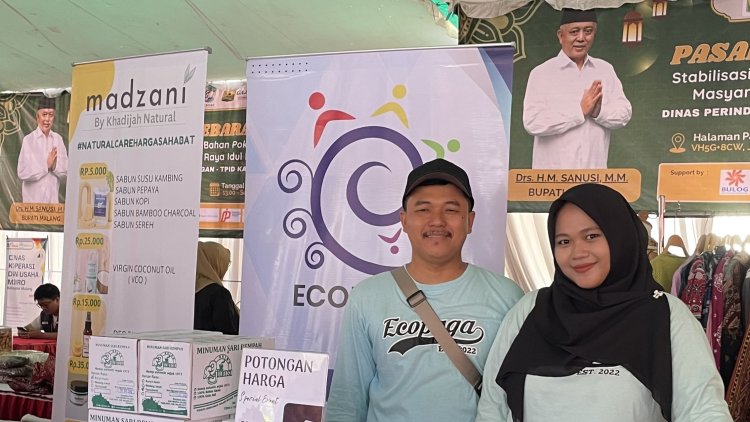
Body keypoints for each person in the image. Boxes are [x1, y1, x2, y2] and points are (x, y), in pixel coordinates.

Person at [476, 183, 732, 422]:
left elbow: (704, 411)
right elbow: (493, 407)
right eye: (564, 241)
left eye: (591, 236)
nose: (577, 252)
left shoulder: (666, 315)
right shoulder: (531, 309)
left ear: (620, 236)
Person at [326, 159, 523, 422]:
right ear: (404, 220)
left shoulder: (508, 297)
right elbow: (347, 401)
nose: (437, 221)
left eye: (451, 210)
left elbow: (518, 398)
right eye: (423, 209)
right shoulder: (367, 297)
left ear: (469, 221)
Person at [523, 9, 632, 169]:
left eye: (588, 31)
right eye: (574, 31)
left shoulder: (605, 69)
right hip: (552, 178)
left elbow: (624, 114)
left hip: (594, 175)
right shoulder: (542, 73)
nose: (581, 38)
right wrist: (579, 112)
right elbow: (533, 122)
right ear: (561, 35)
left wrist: (598, 113)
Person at [17, 96, 69, 203]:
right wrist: (46, 166)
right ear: (37, 116)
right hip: (32, 206)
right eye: (44, 114)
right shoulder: (29, 140)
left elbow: (66, 173)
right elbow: (22, 172)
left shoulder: (58, 139)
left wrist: (54, 167)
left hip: (52, 206)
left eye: (51, 115)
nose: (47, 119)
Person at [194, 241, 239, 335]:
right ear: (216, 262)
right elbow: (228, 332)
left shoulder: (189, 290)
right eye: (226, 263)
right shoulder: (219, 294)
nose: (226, 268)